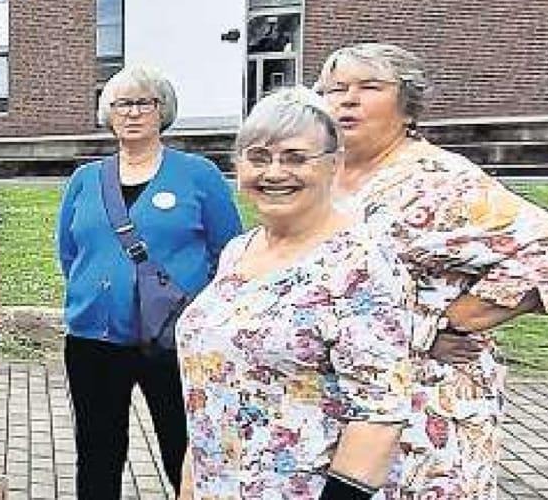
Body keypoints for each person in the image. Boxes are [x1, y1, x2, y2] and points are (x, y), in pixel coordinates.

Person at [316, 43, 548, 499]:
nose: (347, 99)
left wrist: (456, 320)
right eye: (335, 89)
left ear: (408, 106)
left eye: (368, 87)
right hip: (346, 391)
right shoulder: (322, 173)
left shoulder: (440, 178)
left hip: (427, 396)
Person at [176, 88, 412, 500]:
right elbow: (210, 393)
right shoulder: (239, 251)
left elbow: (378, 418)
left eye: (296, 157)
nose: (274, 173)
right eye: (259, 157)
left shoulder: (360, 263)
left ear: (334, 164)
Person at [56, 64, 244, 500]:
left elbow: (230, 254)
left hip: (174, 340)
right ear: (108, 112)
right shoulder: (86, 179)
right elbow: (70, 252)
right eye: (123, 103)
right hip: (94, 340)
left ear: (163, 110)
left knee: (184, 448)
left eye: (145, 102)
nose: (134, 112)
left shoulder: (198, 175)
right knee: (98, 450)